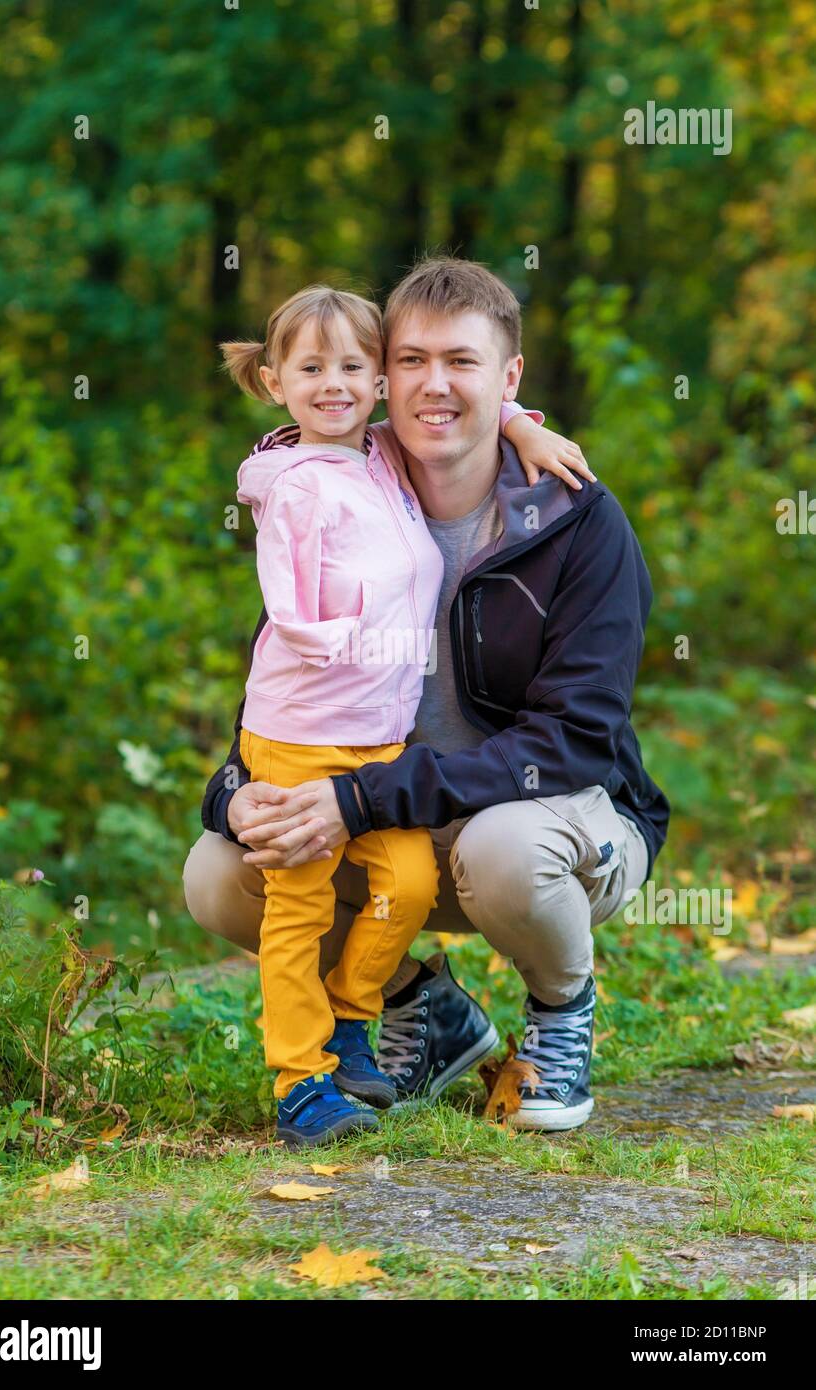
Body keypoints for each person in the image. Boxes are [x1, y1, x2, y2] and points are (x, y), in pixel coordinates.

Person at [185, 257, 666, 1134]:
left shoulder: (577, 518)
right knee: (220, 872)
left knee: (505, 849)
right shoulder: (344, 488)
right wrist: (231, 792)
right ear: (379, 378)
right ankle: (418, 1005)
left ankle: (560, 1014)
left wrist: (357, 798)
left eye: (463, 363)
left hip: (554, 820)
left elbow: (572, 742)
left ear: (510, 375)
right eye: (411, 361)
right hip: (392, 820)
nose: (433, 385)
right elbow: (294, 691)